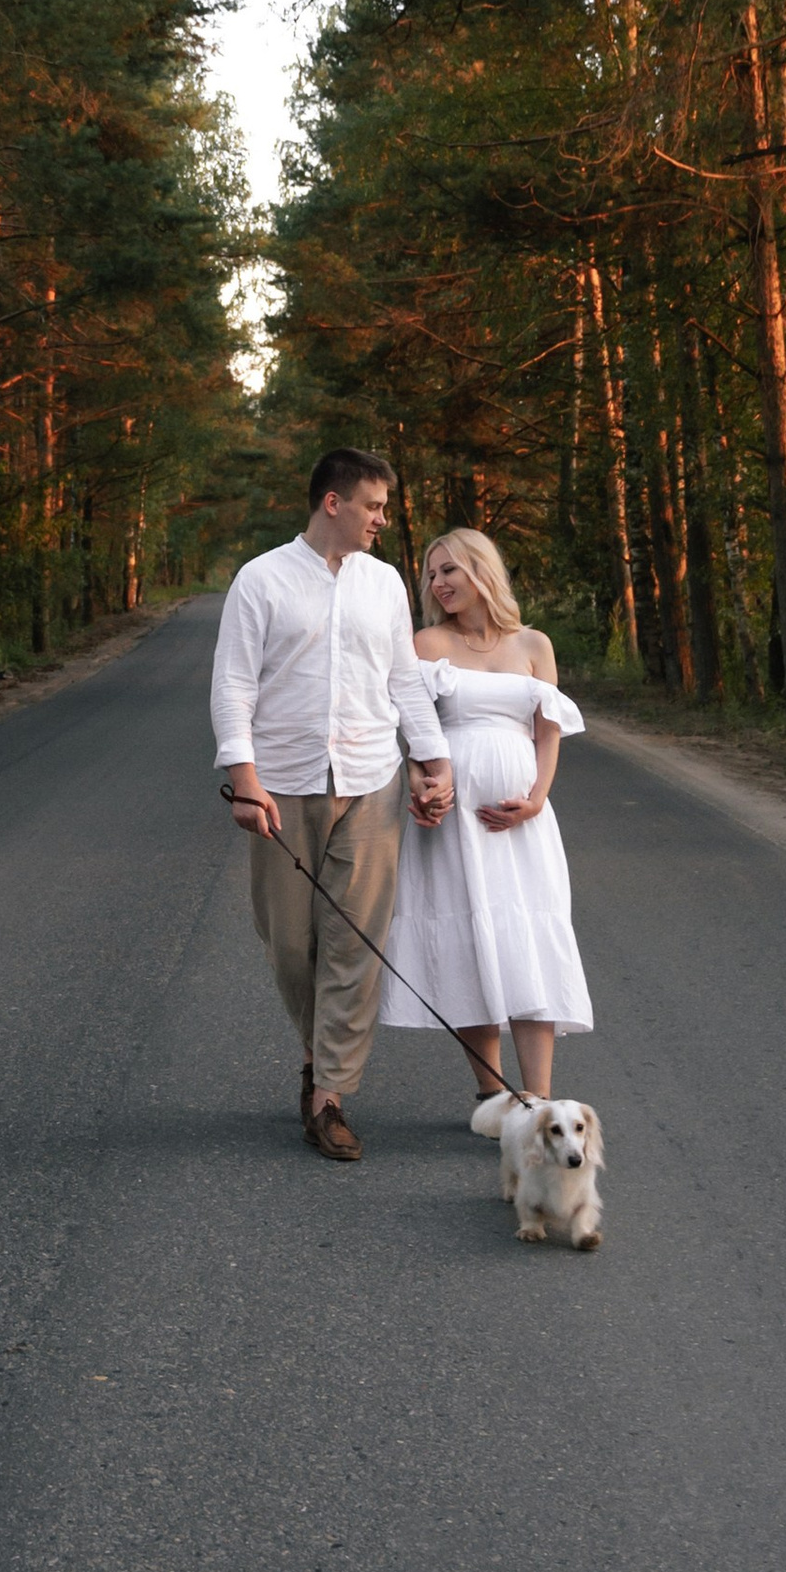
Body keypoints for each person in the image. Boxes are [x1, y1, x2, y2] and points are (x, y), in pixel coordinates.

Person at [211, 446, 454, 1163]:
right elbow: (233, 687)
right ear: (334, 503)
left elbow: (404, 682)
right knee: (292, 946)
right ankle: (319, 1057)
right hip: (282, 787)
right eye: (375, 506)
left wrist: (433, 764)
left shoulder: (384, 585)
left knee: (354, 944)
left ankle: (329, 1096)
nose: (384, 519)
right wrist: (245, 779)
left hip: (372, 780)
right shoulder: (260, 581)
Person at [384, 527, 591, 1126]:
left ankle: (541, 1101)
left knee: (528, 936)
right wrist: (421, 786)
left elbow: (547, 731)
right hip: (452, 824)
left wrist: (535, 798)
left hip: (521, 823)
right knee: (467, 941)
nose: (438, 583)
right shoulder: (425, 643)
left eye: (450, 570)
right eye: (431, 574)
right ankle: (494, 1094)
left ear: (482, 571)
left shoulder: (533, 644)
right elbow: (413, 731)